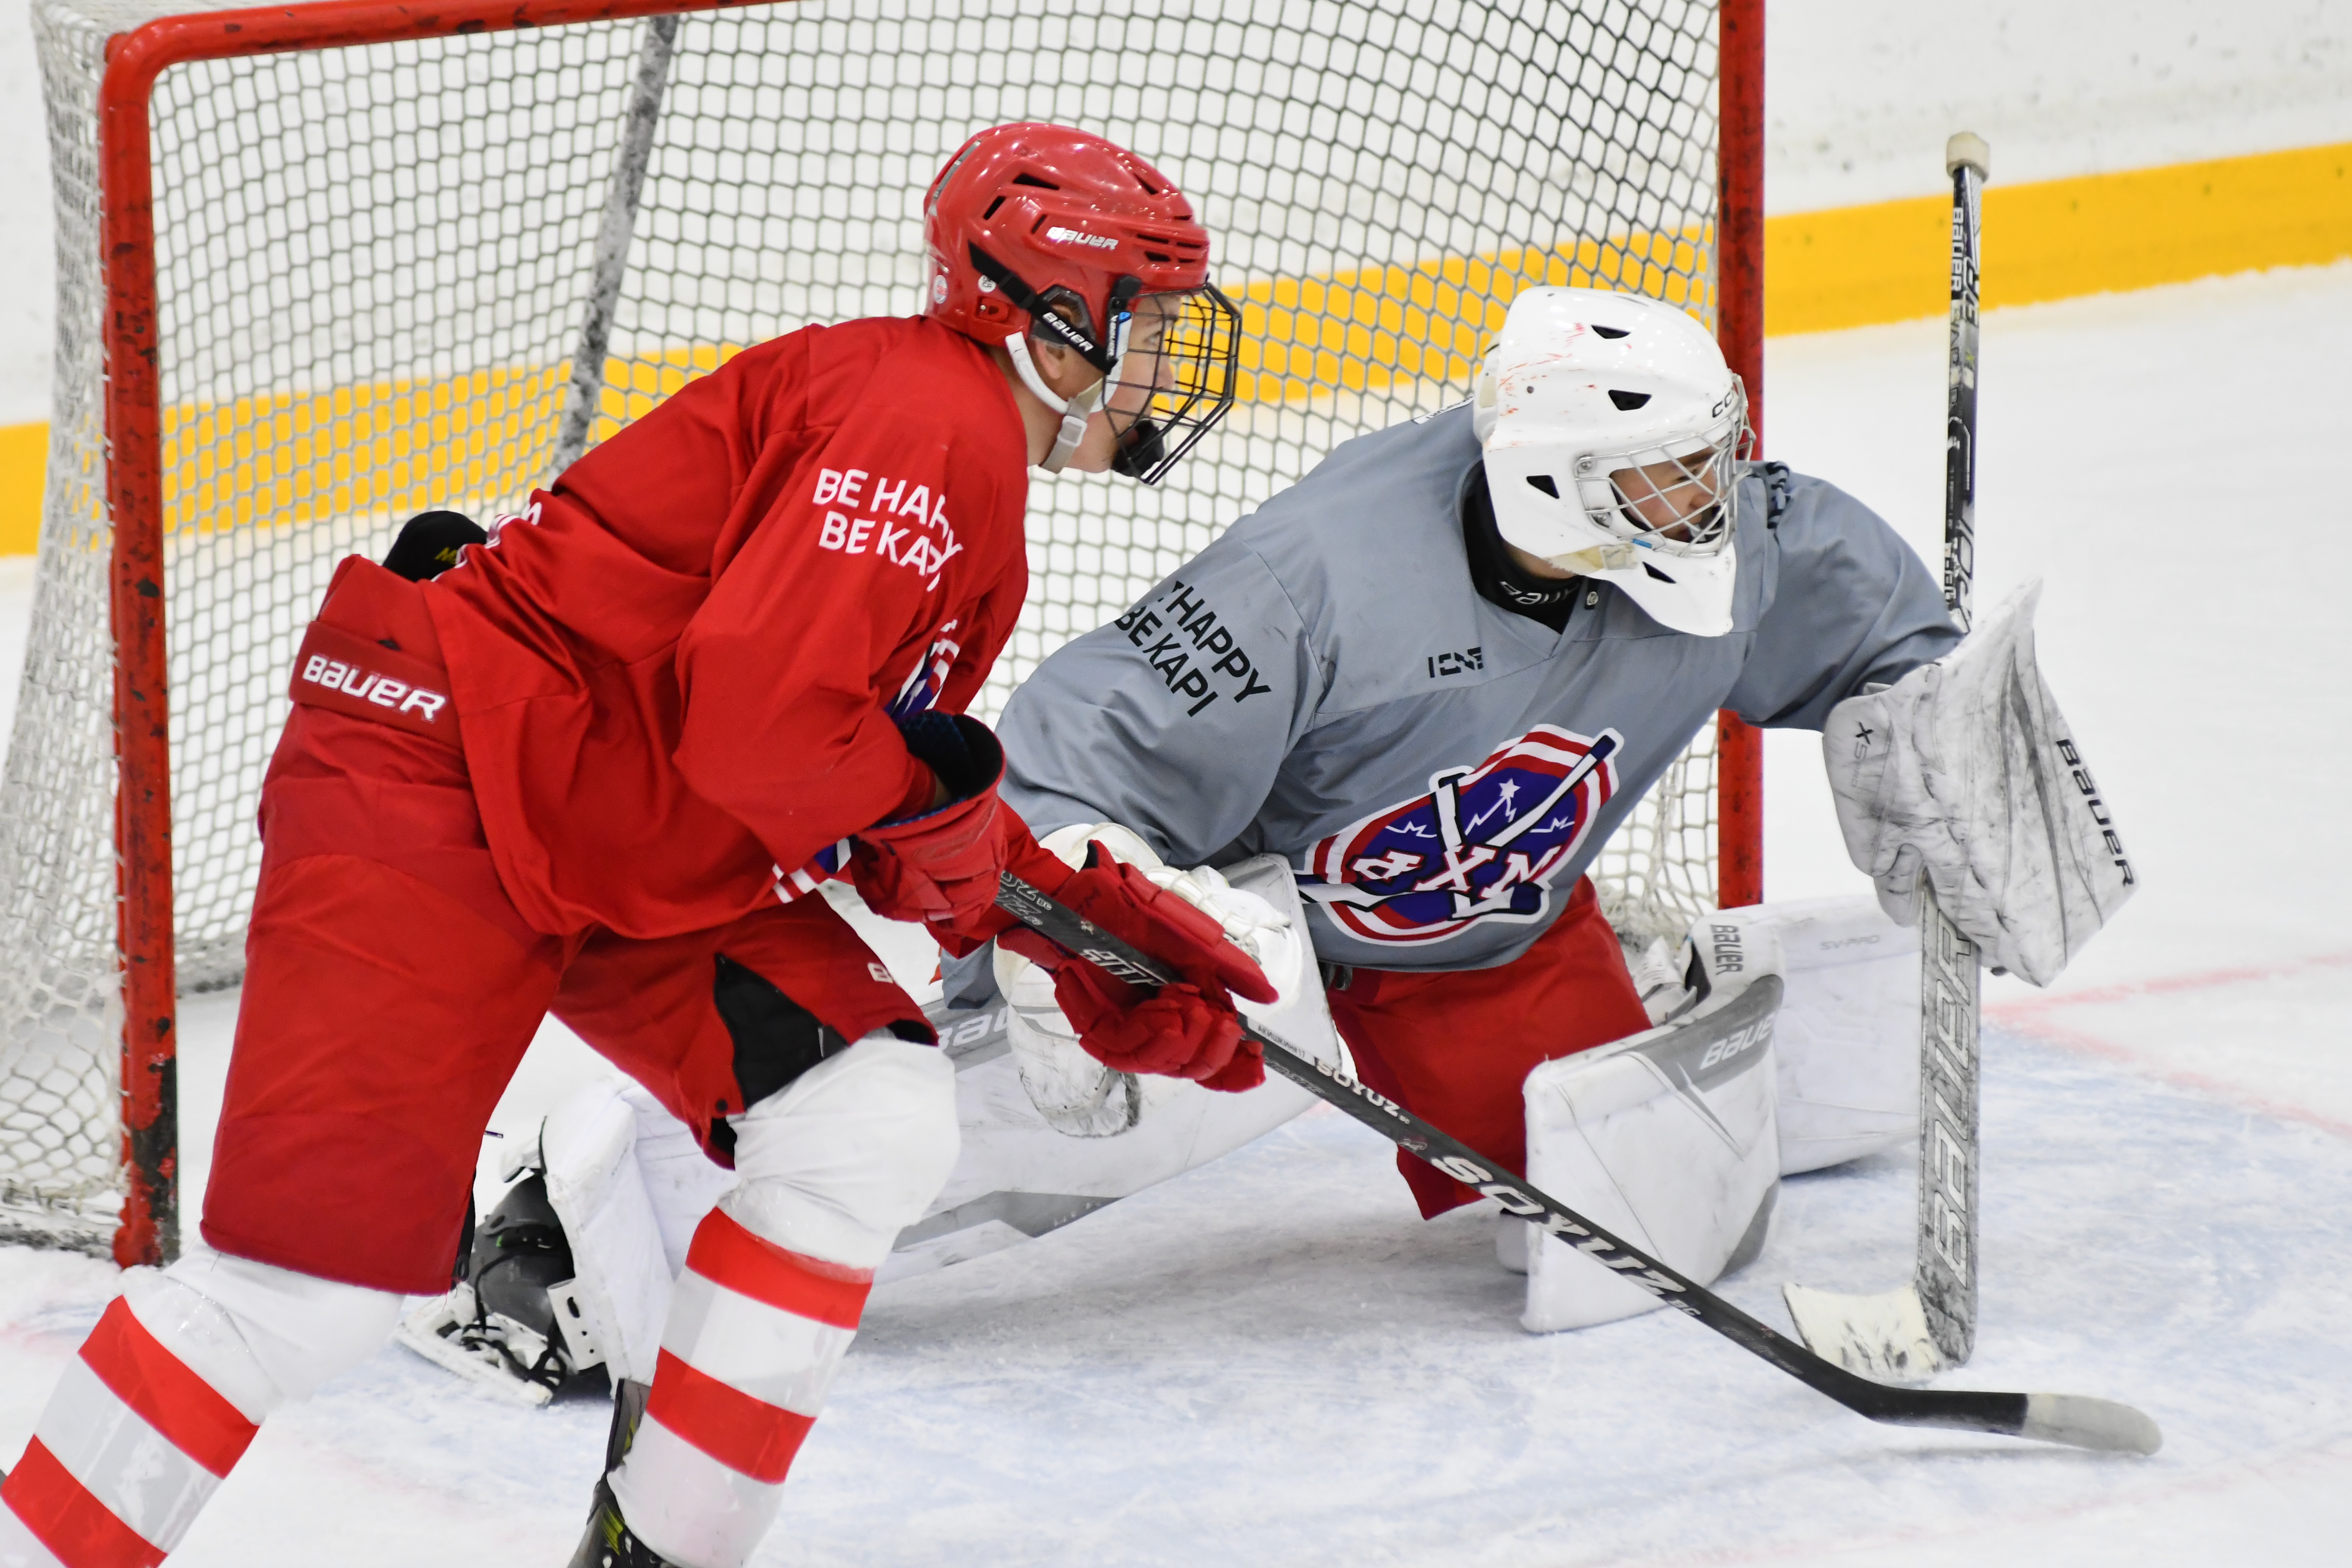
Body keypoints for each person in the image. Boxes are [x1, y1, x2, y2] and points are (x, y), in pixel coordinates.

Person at [0, 122, 1274, 1568]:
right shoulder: (932, 425)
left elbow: (844, 766)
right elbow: (771, 732)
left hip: (617, 818)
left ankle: (654, 1551)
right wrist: (979, 858)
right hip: (446, 785)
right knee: (301, 1296)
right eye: (1148, 318)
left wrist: (1049, 912)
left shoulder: (945, 439)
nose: (1169, 358)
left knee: (865, 1116)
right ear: (1051, 313)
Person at [985, 281, 2125, 1238]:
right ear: (1558, 482)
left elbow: (1872, 627)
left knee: (1623, 1206)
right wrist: (1063, 923)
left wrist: (1933, 719)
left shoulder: (1729, 555)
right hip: (1238, 926)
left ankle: (1637, 989)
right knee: (1053, 1065)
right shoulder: (1317, 579)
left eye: (1713, 456)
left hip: (1471, 941)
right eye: (1673, 473)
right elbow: (1083, 748)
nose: (1718, 495)